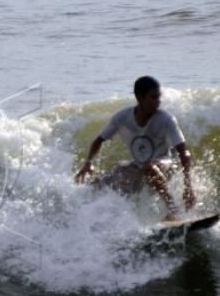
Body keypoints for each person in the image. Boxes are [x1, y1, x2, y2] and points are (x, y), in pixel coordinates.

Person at [74, 76, 196, 220]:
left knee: (149, 166)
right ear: (140, 97)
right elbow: (98, 141)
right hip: (139, 167)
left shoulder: (166, 119)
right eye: (153, 97)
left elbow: (184, 152)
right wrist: (88, 163)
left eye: (159, 97)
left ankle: (173, 211)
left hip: (166, 163)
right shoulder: (122, 118)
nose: (158, 101)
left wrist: (188, 186)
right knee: (98, 184)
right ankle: (100, 221)